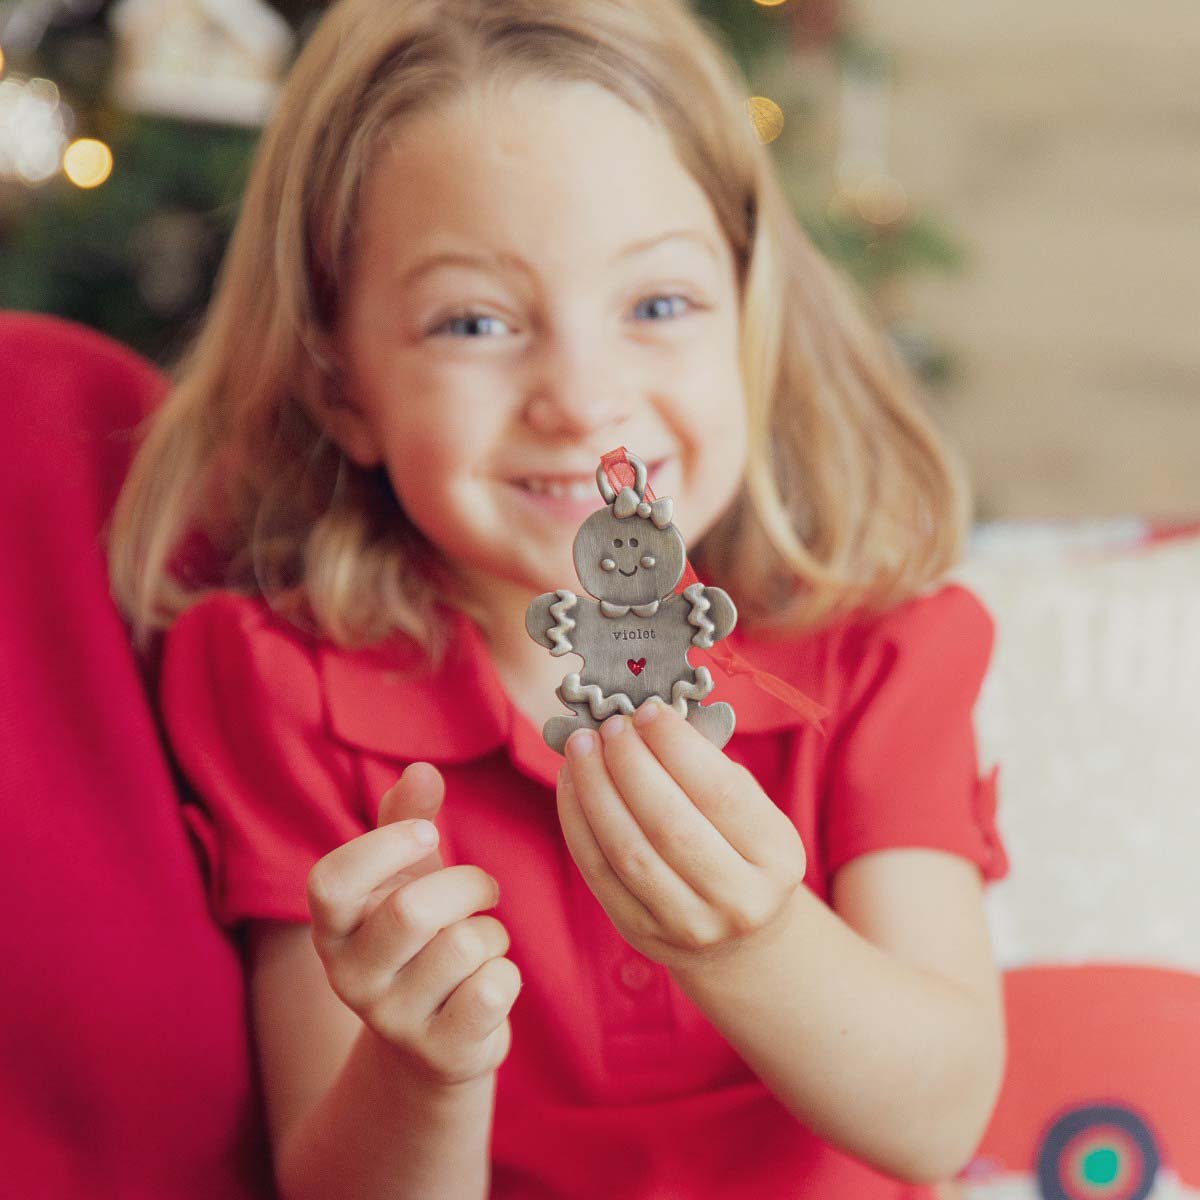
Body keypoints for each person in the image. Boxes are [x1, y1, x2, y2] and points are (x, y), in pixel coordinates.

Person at [108, 1, 1010, 1197]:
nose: (583, 399)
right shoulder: (280, 685)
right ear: (341, 384)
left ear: (750, 314)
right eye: (474, 321)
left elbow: (938, 1119)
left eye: (658, 304)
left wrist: (753, 942)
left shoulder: (881, 650)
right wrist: (423, 1068)